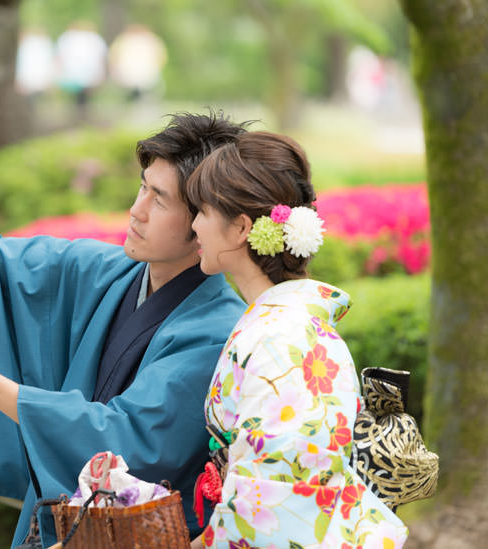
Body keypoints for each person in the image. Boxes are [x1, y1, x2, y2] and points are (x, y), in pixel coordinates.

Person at [0, 112, 248, 547]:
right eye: (143, 186)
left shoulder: (218, 331)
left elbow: (125, 442)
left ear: (206, 220)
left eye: (159, 200)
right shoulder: (112, 272)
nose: (136, 211)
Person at [185, 132, 408, 548]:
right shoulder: (281, 325)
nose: (193, 223)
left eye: (201, 210)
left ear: (241, 228)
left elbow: (272, 493)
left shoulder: (278, 338)